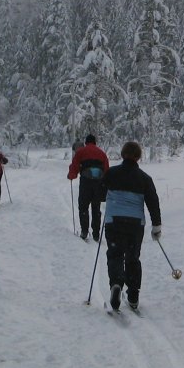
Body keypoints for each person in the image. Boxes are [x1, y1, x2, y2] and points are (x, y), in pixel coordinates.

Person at [102, 140, 161, 312]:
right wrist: (156, 226)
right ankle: (133, 294)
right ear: (138, 157)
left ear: (123, 154)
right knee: (133, 257)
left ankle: (116, 284)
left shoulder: (111, 173)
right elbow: (153, 202)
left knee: (115, 254)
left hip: (114, 221)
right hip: (135, 224)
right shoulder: (145, 178)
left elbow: (100, 193)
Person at [67, 133, 109, 241]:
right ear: (95, 142)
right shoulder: (102, 153)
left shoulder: (81, 152)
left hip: (86, 182)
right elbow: (106, 170)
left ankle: (84, 231)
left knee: (83, 206)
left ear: (86, 142)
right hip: (98, 183)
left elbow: (75, 166)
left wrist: (71, 175)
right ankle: (96, 233)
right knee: (96, 207)